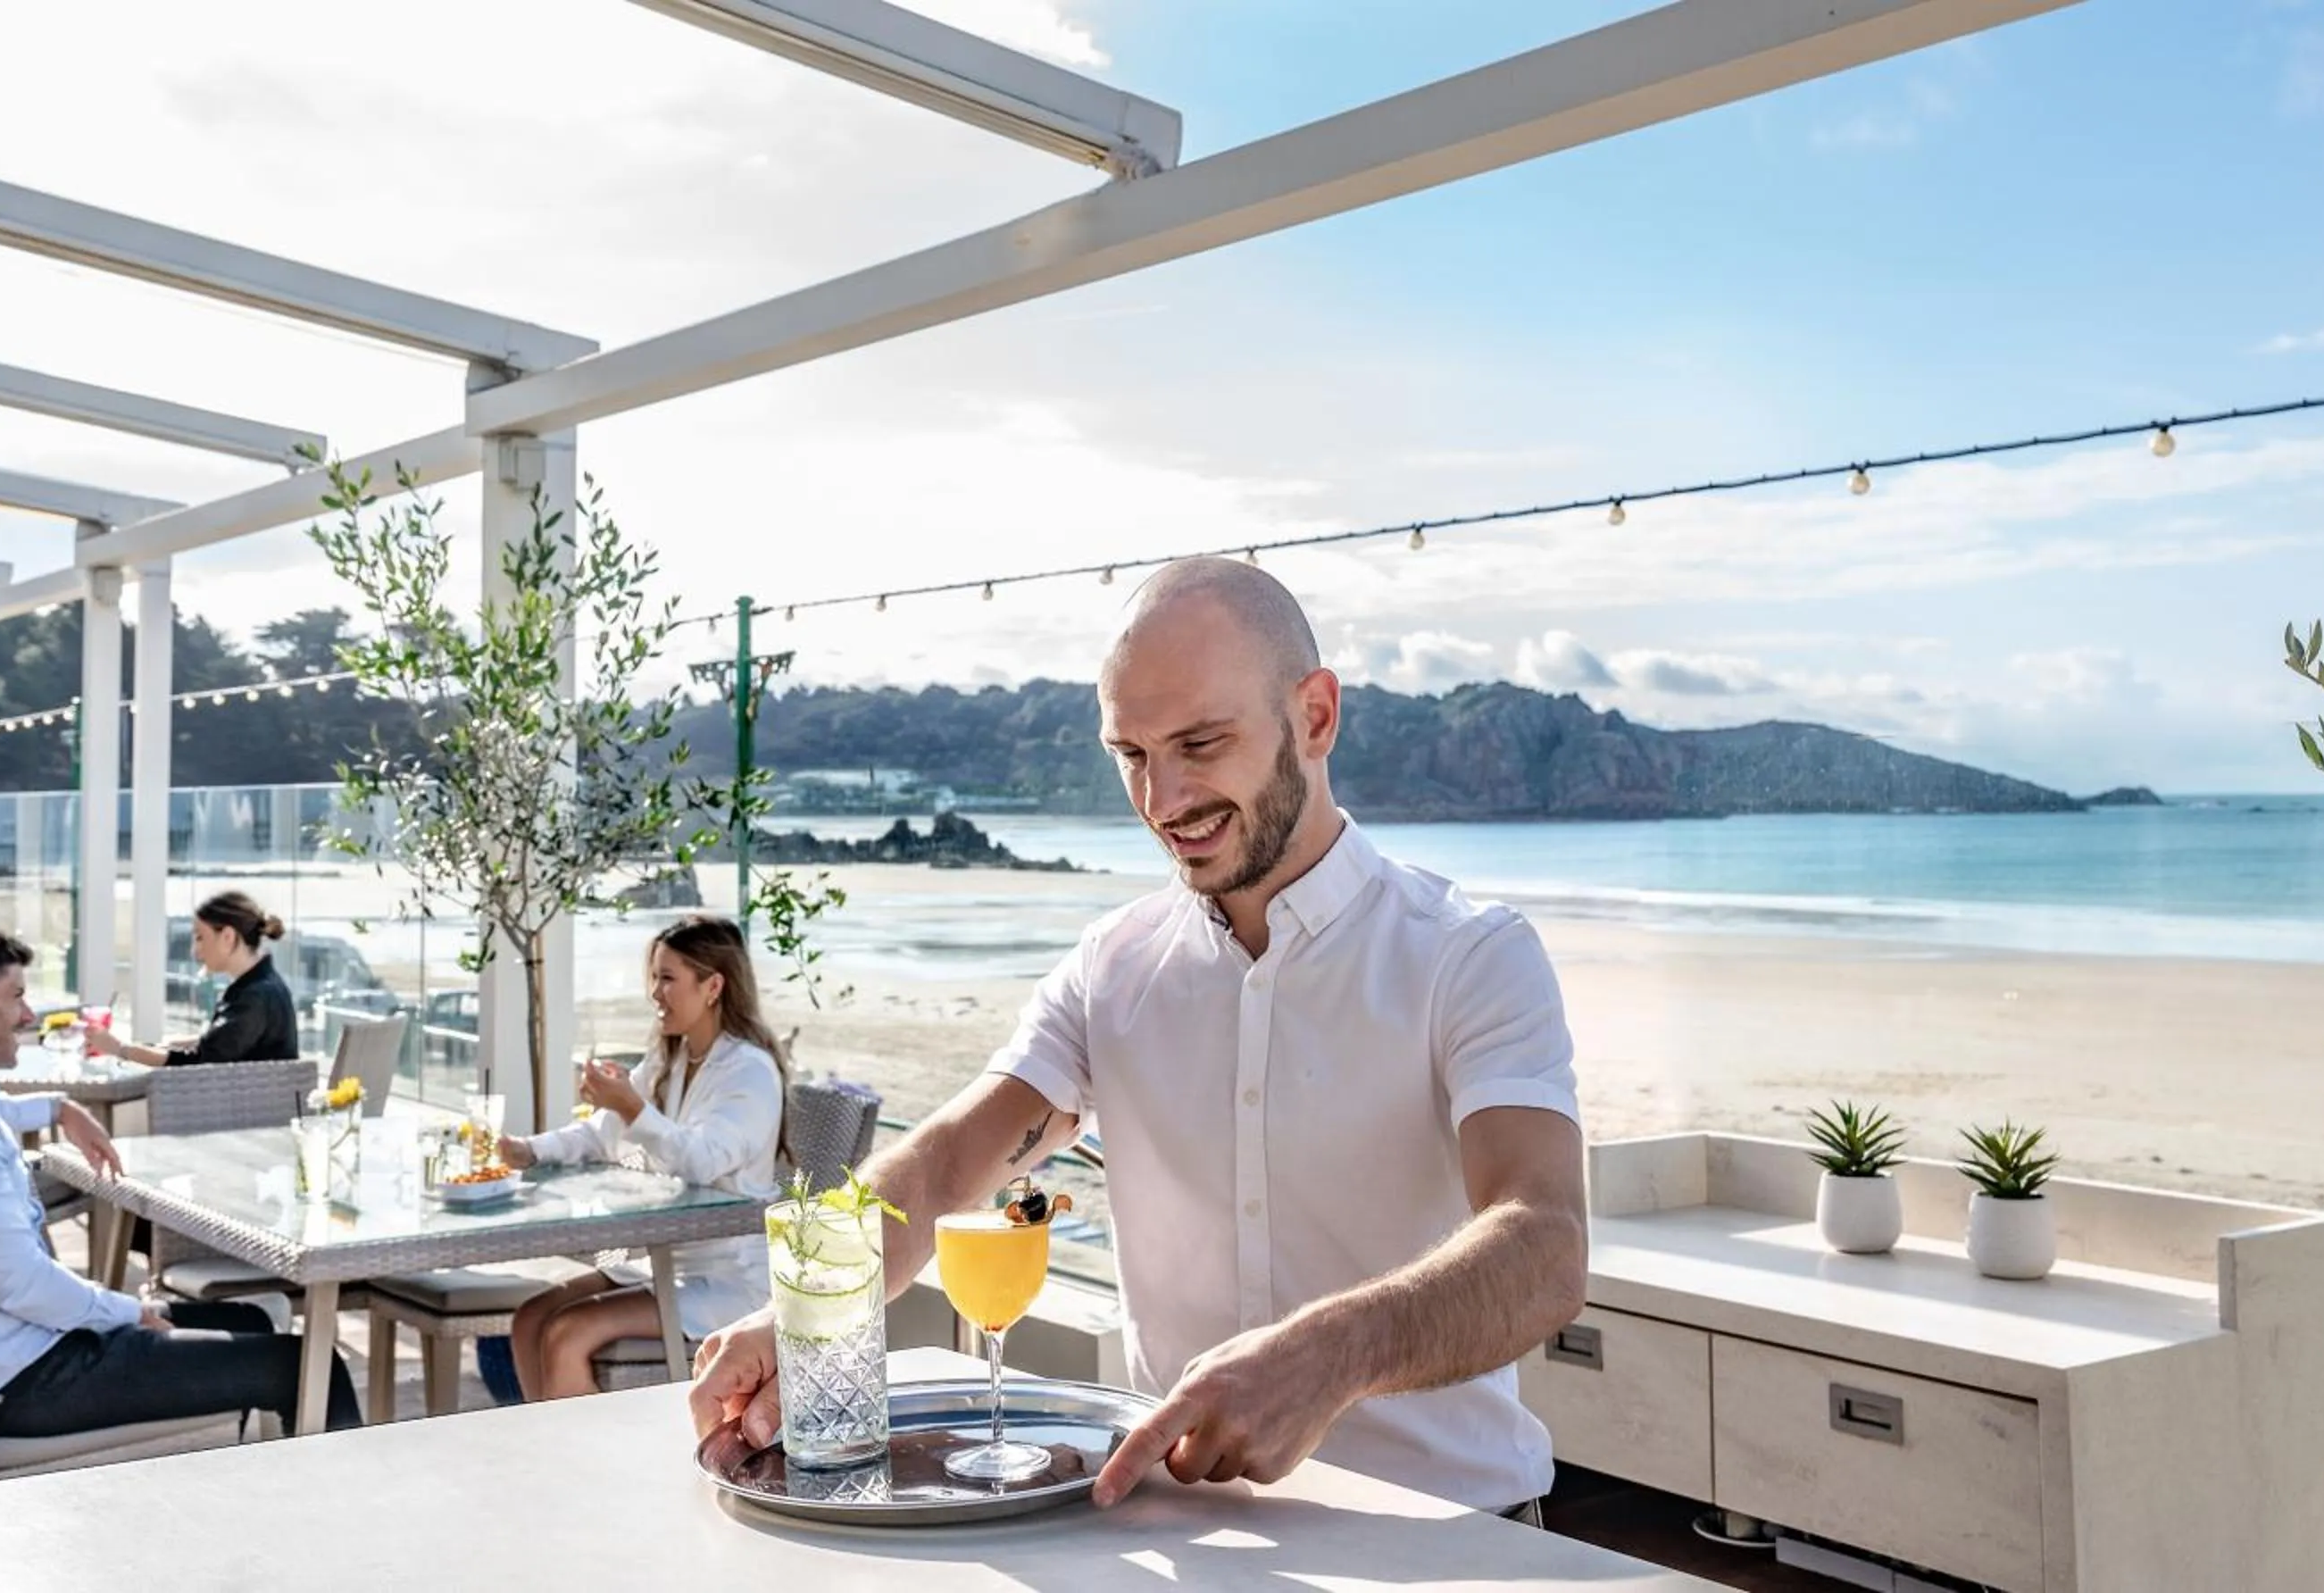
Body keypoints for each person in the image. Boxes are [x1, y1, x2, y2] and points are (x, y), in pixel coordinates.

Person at [687, 559, 1587, 1521]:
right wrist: (806, 1310)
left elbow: (1544, 1241)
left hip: (1457, 1544)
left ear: (1316, 717)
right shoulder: (1111, 966)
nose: (1163, 797)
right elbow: (953, 1161)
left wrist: (1331, 1354)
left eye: (1202, 742)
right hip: (1182, 1534)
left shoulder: (1471, 953)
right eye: (1131, 754)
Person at [0, 927, 360, 1437]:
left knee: (253, 1320)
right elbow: (22, 1286)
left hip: (10, 1357)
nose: (28, 1017)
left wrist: (58, 1107)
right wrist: (127, 1310)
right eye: (16, 997)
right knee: (310, 1367)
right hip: (32, 1377)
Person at [499, 915, 787, 1400]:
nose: (655, 992)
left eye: (668, 978)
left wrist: (631, 1105)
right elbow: (602, 1133)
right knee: (531, 1318)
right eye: (654, 977)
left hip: (729, 1280)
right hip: (665, 1263)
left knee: (566, 1333)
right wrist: (528, 1151)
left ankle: (585, 1471)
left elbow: (703, 1160)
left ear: (713, 986)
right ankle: (549, 1455)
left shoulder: (749, 1073)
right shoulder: (670, 1061)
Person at [79, 891, 298, 1067]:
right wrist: (159, 1045)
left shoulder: (254, 997)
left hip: (240, 1117)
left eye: (200, 938)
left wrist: (120, 1049)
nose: (195, 951)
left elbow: (197, 1063)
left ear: (228, 937)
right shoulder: (262, 985)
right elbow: (220, 1044)